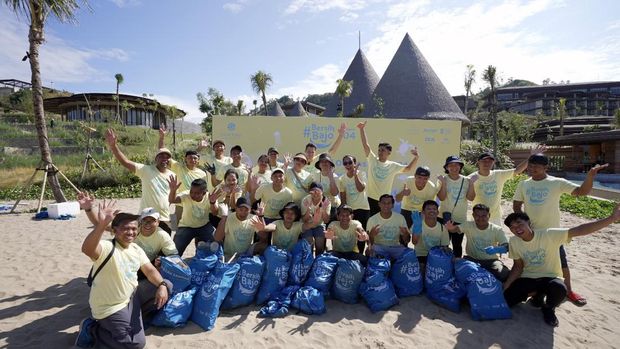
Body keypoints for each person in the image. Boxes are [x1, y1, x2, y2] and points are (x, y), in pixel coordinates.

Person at [513, 153, 609, 306]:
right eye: (530, 166)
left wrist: (590, 176)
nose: (532, 169)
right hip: (531, 234)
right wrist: (524, 224)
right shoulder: (524, 184)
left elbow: (582, 192)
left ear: (546, 167)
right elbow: (517, 205)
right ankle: (535, 292)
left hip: (552, 234)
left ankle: (569, 290)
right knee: (530, 262)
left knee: (562, 263)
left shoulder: (556, 182)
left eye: (536, 167)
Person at [502, 204, 619, 327]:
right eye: (512, 227)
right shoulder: (514, 242)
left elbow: (579, 230)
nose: (517, 228)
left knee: (560, 288)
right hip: (529, 278)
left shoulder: (548, 234)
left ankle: (548, 308)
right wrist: (507, 285)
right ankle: (537, 294)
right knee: (508, 300)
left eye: (519, 223)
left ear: (528, 222)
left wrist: (611, 218)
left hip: (549, 277)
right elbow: (518, 266)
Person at [76, 200, 171, 349]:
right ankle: (92, 330)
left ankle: (137, 318)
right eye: (126, 228)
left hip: (131, 297)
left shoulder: (135, 249)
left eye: (134, 228)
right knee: (136, 344)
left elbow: (150, 270)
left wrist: (162, 285)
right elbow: (87, 249)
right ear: (114, 230)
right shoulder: (108, 247)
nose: (131, 232)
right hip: (111, 306)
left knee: (168, 284)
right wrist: (101, 224)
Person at [105, 128, 174, 234]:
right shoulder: (146, 170)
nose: (164, 158)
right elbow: (125, 162)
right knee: (142, 247)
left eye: (167, 157)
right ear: (156, 159)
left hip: (164, 218)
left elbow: (172, 197)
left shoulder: (172, 175)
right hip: (145, 217)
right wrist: (113, 146)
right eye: (161, 156)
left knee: (164, 247)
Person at [356, 121, 419, 217]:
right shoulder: (372, 160)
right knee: (370, 224)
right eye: (379, 150)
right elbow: (366, 145)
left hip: (385, 201)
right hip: (369, 198)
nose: (380, 152)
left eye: (383, 150)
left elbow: (408, 168)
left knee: (383, 224)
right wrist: (361, 129)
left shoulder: (393, 165)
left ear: (389, 153)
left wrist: (416, 157)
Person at [469, 146, 544, 226]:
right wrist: (470, 183)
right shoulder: (471, 178)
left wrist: (531, 157)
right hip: (478, 217)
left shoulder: (499, 174)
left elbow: (517, 170)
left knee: (496, 238)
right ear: (478, 162)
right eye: (484, 161)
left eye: (489, 161)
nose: (486, 163)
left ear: (493, 163)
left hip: (495, 216)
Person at [445, 204, 510, 282]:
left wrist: (498, 249)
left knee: (503, 273)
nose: (480, 218)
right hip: (471, 259)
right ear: (473, 215)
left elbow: (506, 246)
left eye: (484, 215)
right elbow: (455, 229)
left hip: (491, 261)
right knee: (456, 268)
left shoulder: (497, 229)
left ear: (489, 215)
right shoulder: (468, 225)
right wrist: (449, 228)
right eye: (477, 215)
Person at [158, 126, 208, 226]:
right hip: (180, 203)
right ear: (185, 159)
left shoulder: (202, 173)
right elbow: (162, 152)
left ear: (198, 160)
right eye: (189, 158)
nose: (192, 160)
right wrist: (162, 137)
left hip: (196, 204)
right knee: (176, 226)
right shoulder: (178, 167)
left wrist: (200, 148)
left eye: (195, 158)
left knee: (198, 225)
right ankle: (175, 241)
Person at [168, 177, 220, 257]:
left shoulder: (210, 197)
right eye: (191, 192)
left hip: (204, 226)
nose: (193, 195)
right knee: (175, 252)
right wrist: (173, 190)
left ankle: (206, 262)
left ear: (204, 193)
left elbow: (215, 213)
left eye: (197, 193)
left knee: (214, 246)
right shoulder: (186, 195)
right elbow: (172, 200)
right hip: (186, 226)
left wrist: (212, 202)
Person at [437, 155, 477, 258]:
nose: (454, 167)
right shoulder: (442, 179)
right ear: (446, 167)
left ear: (460, 166)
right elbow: (441, 198)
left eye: (457, 165)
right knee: (443, 244)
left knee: (457, 245)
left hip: (460, 218)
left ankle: (457, 266)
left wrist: (472, 184)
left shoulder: (467, 180)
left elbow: (471, 198)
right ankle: (442, 266)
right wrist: (444, 184)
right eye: (451, 165)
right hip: (443, 217)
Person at [214, 197, 266, 262]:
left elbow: (264, 237)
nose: (243, 212)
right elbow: (217, 238)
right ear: (236, 208)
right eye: (241, 209)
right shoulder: (229, 218)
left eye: (246, 210)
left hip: (246, 253)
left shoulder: (253, 218)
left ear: (250, 210)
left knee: (263, 246)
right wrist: (224, 217)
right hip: (230, 255)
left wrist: (261, 217)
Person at [338, 154, 370, 254]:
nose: (348, 165)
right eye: (345, 163)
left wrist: (355, 175)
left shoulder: (361, 174)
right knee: (351, 234)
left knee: (361, 233)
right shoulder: (342, 179)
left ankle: (360, 255)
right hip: (350, 211)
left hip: (363, 208)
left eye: (350, 162)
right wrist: (343, 212)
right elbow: (343, 197)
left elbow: (360, 189)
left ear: (354, 163)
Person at [396, 166, 439, 235]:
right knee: (402, 235)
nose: (421, 181)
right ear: (415, 176)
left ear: (428, 178)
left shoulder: (432, 188)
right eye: (419, 177)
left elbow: (428, 207)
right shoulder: (407, 181)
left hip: (421, 212)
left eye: (425, 178)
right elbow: (397, 199)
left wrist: (421, 220)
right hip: (406, 209)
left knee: (419, 235)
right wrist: (402, 193)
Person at [366, 194, 410, 261]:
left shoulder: (400, 218)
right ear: (379, 204)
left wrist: (406, 234)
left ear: (392, 205)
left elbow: (407, 240)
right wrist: (371, 236)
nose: (386, 205)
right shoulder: (372, 219)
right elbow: (369, 243)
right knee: (368, 252)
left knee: (410, 253)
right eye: (383, 203)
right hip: (379, 247)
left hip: (395, 247)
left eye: (389, 203)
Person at [412, 200, 450, 274]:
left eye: (434, 209)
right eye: (428, 209)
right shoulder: (418, 224)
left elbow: (445, 247)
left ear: (438, 212)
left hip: (436, 256)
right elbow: (414, 242)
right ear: (423, 212)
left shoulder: (442, 228)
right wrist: (417, 228)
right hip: (420, 255)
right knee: (421, 268)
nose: (432, 211)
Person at [301, 182, 332, 255]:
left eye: (318, 191)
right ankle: (309, 262)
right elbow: (304, 219)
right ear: (310, 192)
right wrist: (308, 211)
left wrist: (323, 209)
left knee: (320, 245)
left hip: (319, 224)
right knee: (309, 243)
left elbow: (326, 220)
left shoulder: (326, 201)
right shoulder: (305, 200)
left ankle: (318, 261)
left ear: (322, 192)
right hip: (307, 224)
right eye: (313, 191)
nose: (315, 193)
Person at [311, 153, 341, 221]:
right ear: (319, 165)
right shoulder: (314, 175)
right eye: (322, 161)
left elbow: (334, 193)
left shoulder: (335, 177)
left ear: (330, 164)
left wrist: (331, 177)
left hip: (332, 207)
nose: (324, 163)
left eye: (327, 161)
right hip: (318, 206)